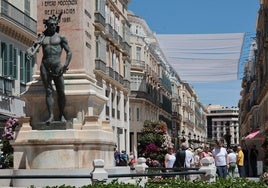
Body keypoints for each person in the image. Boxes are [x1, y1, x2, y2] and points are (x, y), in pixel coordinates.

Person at [26, 13, 72, 124]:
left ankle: (61, 114)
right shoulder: (42, 38)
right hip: (45, 66)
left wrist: (65, 65)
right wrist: (29, 52)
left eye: (54, 25)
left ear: (57, 25)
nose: (52, 26)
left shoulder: (61, 37)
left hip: (57, 66)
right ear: (47, 25)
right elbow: (33, 48)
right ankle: (51, 116)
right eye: (51, 25)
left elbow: (69, 52)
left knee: (61, 91)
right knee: (48, 91)